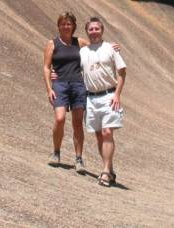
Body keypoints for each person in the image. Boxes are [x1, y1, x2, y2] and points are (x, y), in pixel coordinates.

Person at [80, 16, 127, 187]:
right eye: (90, 29)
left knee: (107, 133)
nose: (94, 32)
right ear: (87, 32)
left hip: (109, 96)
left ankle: (105, 172)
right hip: (91, 98)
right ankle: (110, 168)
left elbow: (122, 72)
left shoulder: (111, 48)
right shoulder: (83, 52)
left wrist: (117, 94)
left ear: (102, 30)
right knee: (99, 135)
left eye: (96, 29)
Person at [43, 12, 89, 173]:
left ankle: (79, 159)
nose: (66, 26)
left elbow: (96, 52)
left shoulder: (80, 42)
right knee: (60, 118)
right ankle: (56, 152)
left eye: (69, 24)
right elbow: (47, 67)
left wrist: (110, 47)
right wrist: (49, 88)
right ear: (59, 25)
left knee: (77, 123)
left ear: (73, 26)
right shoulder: (52, 44)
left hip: (78, 85)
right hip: (60, 84)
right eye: (63, 23)